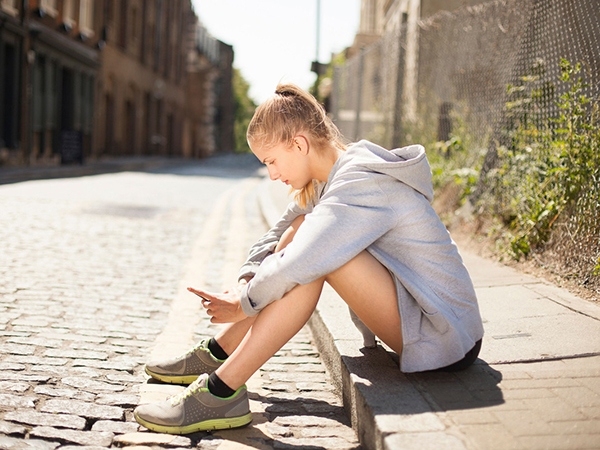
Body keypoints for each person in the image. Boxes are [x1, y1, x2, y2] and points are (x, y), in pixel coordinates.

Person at [133, 84, 484, 435]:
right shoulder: (325, 180)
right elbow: (278, 232)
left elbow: (300, 260)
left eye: (271, 161)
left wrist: (244, 304)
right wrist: (247, 280)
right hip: (421, 318)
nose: (271, 174)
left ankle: (219, 392)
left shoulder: (361, 180)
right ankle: (220, 350)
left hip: (444, 334)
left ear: (299, 144)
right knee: (303, 231)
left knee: (312, 260)